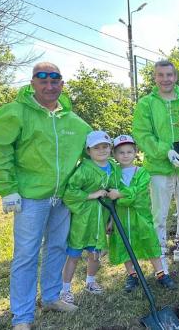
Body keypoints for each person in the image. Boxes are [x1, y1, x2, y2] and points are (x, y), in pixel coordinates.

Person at [0, 62, 91, 329]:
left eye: (55, 80)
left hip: (61, 198)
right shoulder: (16, 113)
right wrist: (7, 189)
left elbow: (95, 152)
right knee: (26, 255)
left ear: (62, 85)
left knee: (56, 248)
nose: (49, 85)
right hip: (30, 198)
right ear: (32, 83)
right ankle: (22, 316)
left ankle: (52, 297)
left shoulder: (74, 122)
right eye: (42, 79)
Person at [132, 60, 179, 266]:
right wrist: (166, 151)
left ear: (175, 77)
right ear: (155, 77)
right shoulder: (146, 103)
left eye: (169, 75)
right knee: (159, 213)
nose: (165, 79)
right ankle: (160, 254)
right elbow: (142, 134)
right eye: (161, 75)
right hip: (159, 167)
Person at [60, 131, 121, 305]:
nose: (101, 150)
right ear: (88, 150)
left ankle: (90, 281)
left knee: (95, 253)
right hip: (84, 218)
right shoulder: (84, 169)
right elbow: (70, 191)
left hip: (103, 216)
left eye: (105, 146)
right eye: (96, 147)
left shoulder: (113, 168)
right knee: (74, 254)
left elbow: (114, 192)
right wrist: (91, 195)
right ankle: (65, 289)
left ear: (110, 148)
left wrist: (111, 220)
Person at [109, 135, 175, 291]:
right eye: (121, 152)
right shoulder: (113, 174)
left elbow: (137, 195)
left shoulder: (143, 173)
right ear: (114, 155)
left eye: (129, 151)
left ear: (136, 152)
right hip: (121, 217)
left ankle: (161, 273)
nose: (125, 155)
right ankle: (132, 275)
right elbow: (111, 200)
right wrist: (111, 220)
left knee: (150, 243)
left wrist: (119, 195)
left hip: (141, 217)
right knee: (125, 244)